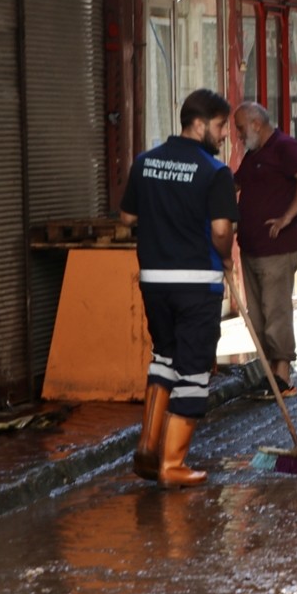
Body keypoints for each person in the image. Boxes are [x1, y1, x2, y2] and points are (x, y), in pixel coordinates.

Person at [120, 88, 238, 487]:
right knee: (193, 370)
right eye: (221, 126)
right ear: (200, 124)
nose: (224, 136)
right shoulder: (215, 173)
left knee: (164, 359)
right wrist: (226, 258)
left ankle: (148, 452)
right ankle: (173, 465)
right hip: (196, 284)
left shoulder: (145, 162)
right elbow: (222, 231)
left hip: (154, 281)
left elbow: (126, 216)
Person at [232, 101, 297, 398]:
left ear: (256, 124)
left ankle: (282, 376)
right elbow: (235, 184)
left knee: (276, 312)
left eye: (241, 128)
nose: (239, 135)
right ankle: (270, 373)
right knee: (257, 316)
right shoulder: (254, 153)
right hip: (251, 246)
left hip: (277, 248)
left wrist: (287, 217)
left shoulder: (285, 146)